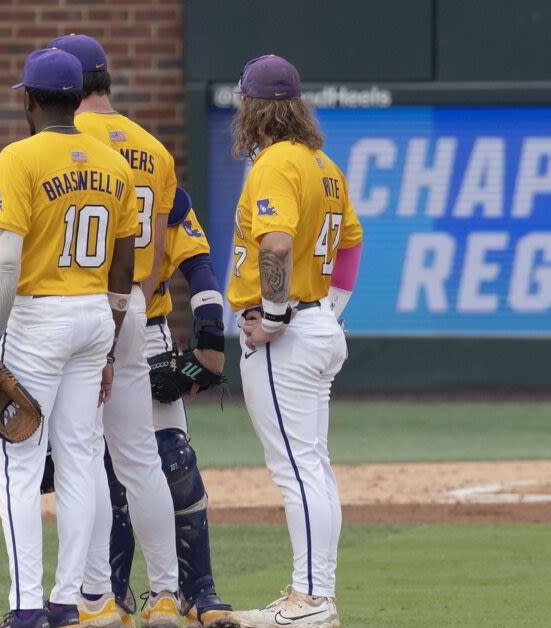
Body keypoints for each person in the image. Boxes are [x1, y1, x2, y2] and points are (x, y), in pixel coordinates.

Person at [0, 48, 137, 628]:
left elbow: (6, 260)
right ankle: (68, 600)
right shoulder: (112, 162)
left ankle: (25, 607)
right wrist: (110, 344)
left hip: (38, 317)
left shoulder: (19, 157)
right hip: (95, 313)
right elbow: (126, 269)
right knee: (80, 458)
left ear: (29, 100)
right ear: (76, 98)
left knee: (19, 462)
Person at [48, 33, 182, 627]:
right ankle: (167, 595)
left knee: (82, 458)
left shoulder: (63, 142)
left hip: (79, 307)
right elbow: (154, 250)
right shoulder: (154, 148)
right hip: (136, 309)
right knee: (140, 458)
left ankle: (95, 598)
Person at [226, 55, 364, 628]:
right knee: (313, 467)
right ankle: (316, 595)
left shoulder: (277, 163)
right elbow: (353, 242)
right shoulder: (323, 164)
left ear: (253, 108)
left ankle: (310, 600)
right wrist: (330, 311)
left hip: (287, 332)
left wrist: (280, 316)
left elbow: (276, 246)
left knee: (296, 471)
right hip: (316, 326)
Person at [136, 186, 235, 627]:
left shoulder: (153, 171)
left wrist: (211, 334)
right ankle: (105, 596)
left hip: (145, 328)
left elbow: (197, 263)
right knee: (98, 469)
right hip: (74, 331)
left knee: (174, 460)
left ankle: (197, 593)